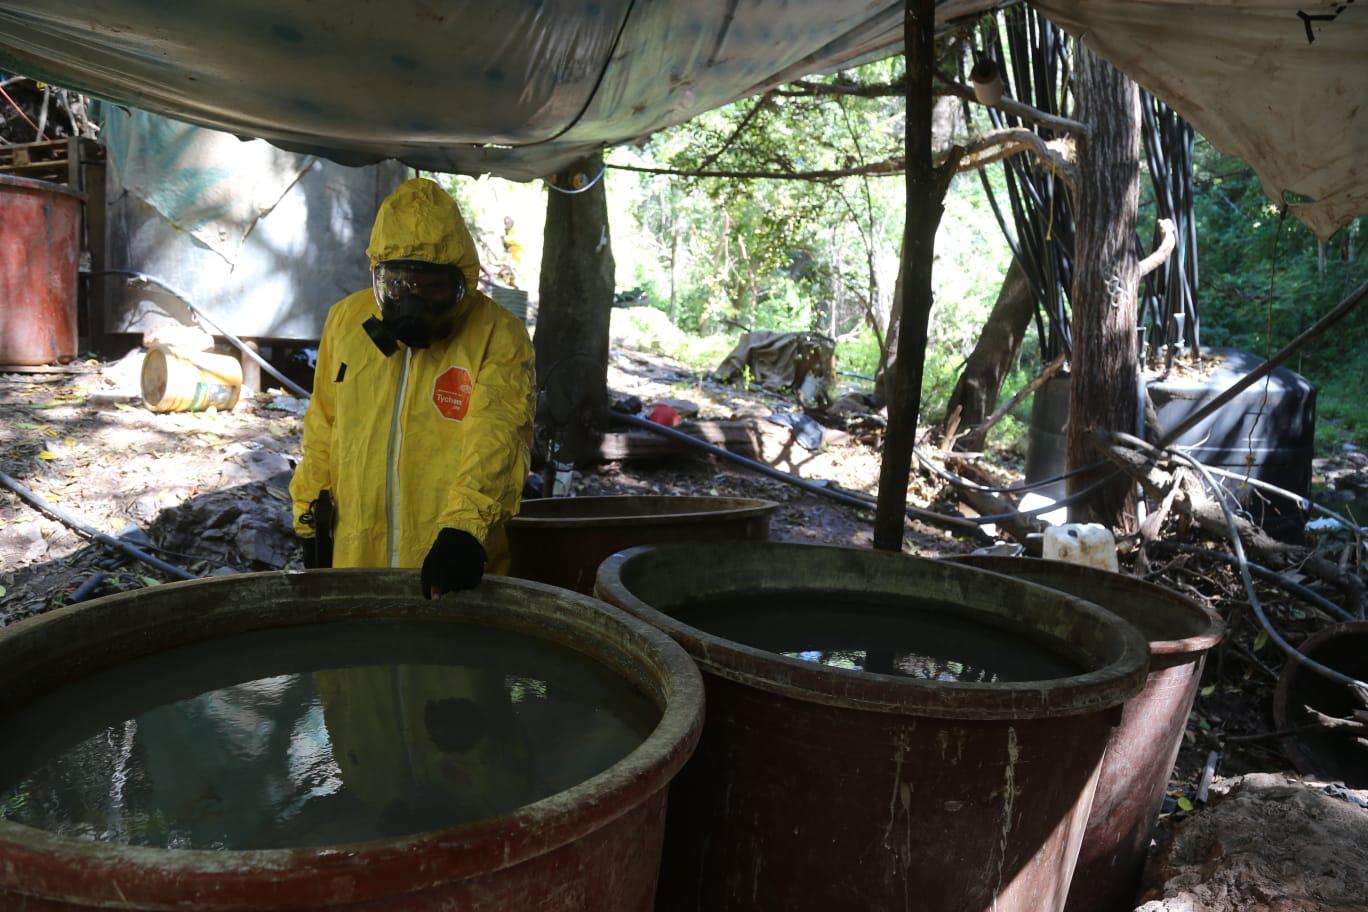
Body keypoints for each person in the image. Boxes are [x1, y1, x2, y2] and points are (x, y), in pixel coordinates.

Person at [290, 178, 535, 598]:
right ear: (379, 276)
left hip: (450, 561)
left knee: (447, 663)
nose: (414, 304)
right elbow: (323, 426)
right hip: (356, 554)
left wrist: (466, 529)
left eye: (434, 288)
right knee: (356, 661)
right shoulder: (346, 322)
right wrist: (310, 514)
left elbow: (499, 435)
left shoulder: (498, 334)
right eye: (399, 286)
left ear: (463, 282)